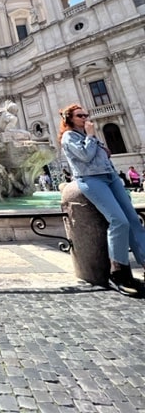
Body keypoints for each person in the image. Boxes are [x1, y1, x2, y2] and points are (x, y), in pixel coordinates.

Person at [59, 104, 145, 296]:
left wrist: (94, 141)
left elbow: (105, 154)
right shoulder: (69, 137)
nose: (85, 117)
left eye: (85, 114)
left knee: (133, 219)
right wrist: (90, 136)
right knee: (118, 221)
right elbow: (85, 156)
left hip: (110, 176)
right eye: (80, 115)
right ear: (70, 119)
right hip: (91, 179)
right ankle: (119, 273)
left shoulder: (87, 135)